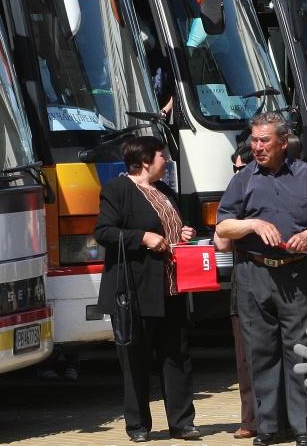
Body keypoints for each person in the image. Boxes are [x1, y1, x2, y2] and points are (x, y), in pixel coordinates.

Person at [216, 112, 307, 446]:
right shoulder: (243, 179)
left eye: (264, 140)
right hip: (253, 272)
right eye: (253, 140)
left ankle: (303, 428)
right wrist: (253, 225)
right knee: (261, 352)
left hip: (295, 272)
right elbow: (223, 227)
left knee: (299, 351)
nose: (257, 147)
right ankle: (269, 426)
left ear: (283, 142)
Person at [94, 136, 200, 443]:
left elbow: (170, 227)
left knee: (177, 355)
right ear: (144, 162)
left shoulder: (164, 190)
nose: (165, 161)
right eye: (161, 156)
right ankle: (138, 425)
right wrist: (142, 237)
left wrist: (183, 231)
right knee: (135, 359)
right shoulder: (118, 190)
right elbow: (104, 231)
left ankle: (182, 423)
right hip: (135, 290)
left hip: (171, 287)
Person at [217, 146, 257, 440]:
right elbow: (221, 244)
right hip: (243, 285)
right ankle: (250, 419)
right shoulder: (234, 199)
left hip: (270, 281)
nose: (237, 176)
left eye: (241, 169)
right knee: (244, 359)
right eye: (235, 170)